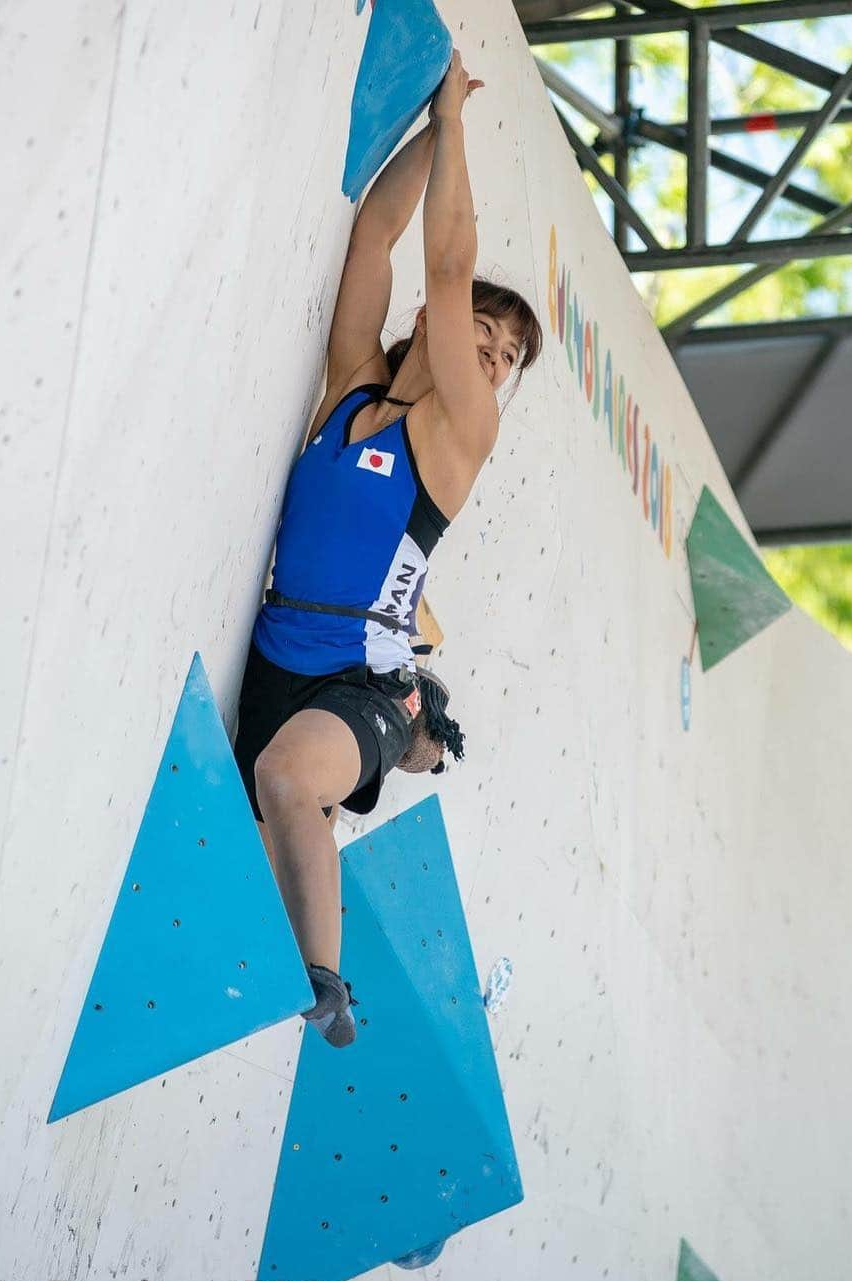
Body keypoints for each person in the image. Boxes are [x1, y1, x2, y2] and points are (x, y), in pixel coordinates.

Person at [233, 50, 543, 1048]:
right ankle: (421, 724)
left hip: (352, 678)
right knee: (273, 801)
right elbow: (377, 234)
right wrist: (426, 122)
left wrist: (457, 123)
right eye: (482, 341)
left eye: (504, 363)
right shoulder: (350, 388)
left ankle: (326, 985)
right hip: (279, 659)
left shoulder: (461, 441)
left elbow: (448, 267)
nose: (487, 364)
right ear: (430, 329)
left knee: (286, 781)